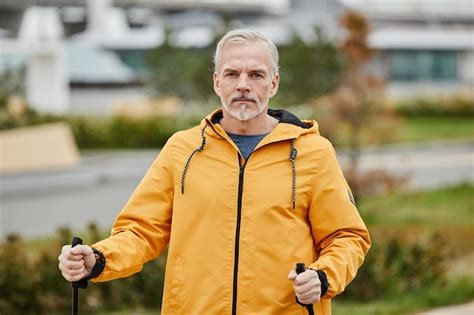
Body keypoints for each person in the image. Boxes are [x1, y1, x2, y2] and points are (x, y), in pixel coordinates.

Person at [58, 29, 371, 315]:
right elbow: (141, 232)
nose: (243, 85)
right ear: (217, 82)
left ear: (273, 83)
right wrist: (98, 259)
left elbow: (347, 237)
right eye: (232, 74)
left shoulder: (313, 153)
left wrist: (323, 276)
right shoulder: (182, 149)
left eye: (256, 74)